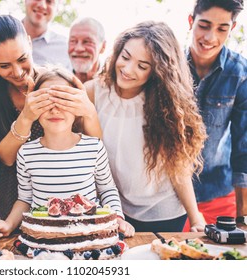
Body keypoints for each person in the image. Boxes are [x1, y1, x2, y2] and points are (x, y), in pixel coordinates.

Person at [84, 21, 208, 232]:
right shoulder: (94, 92)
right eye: (125, 57)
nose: (128, 69)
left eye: (142, 66)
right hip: (116, 209)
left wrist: (196, 218)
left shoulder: (166, 104)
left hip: (164, 212)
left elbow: (178, 169)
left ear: (157, 71)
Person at [0, 67, 135, 240]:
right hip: (43, 240)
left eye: (64, 100)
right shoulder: (26, 152)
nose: (55, 109)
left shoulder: (94, 147)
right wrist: (8, 224)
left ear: (78, 107)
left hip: (87, 237)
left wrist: (117, 216)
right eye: (46, 102)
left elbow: (107, 188)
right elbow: (25, 200)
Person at [0, 14, 102, 221]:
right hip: (15, 200)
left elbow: (95, 143)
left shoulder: (56, 81)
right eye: (4, 66)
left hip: (66, 194)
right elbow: (6, 158)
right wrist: (26, 117)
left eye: (22, 59)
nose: (17, 72)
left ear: (29, 43)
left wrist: (88, 111)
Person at [185, 0, 247, 228]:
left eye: (222, 28)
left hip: (218, 195)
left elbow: (244, 152)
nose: (210, 37)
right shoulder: (170, 68)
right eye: (204, 25)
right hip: (169, 197)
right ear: (191, 21)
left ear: (231, 29)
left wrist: (243, 220)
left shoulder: (240, 73)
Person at [22, 0, 71, 70]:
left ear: (57, 8)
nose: (42, 5)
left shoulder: (65, 49)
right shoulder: (3, 34)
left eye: (49, 1)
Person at [68, 17, 106, 83]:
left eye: (87, 41)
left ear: (103, 46)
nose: (78, 49)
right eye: (73, 41)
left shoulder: (113, 84)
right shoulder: (57, 80)